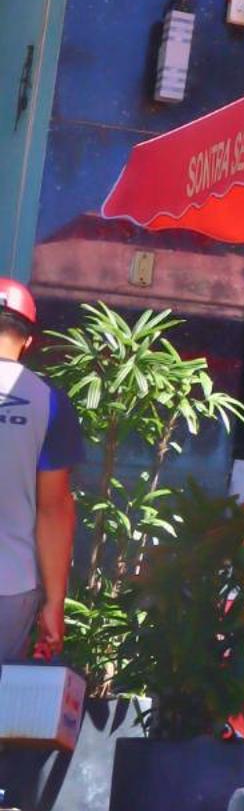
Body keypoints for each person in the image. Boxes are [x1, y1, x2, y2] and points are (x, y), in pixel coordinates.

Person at [0, 281, 81, 662]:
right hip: (9, 583)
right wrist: (55, 603)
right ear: (29, 342)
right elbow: (53, 510)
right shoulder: (48, 403)